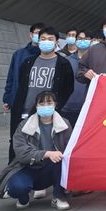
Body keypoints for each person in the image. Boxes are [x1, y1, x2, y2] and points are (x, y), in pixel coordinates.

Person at [10, 27, 74, 175]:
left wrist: (56, 106)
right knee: (19, 141)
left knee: (47, 141)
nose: (46, 42)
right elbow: (21, 84)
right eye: (43, 39)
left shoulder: (63, 64)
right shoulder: (28, 62)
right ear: (38, 41)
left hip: (48, 111)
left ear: (57, 42)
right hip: (25, 110)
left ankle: (48, 177)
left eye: (50, 39)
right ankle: (14, 173)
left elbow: (68, 88)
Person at [0, 91, 72, 210]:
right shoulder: (24, 125)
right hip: (27, 168)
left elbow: (70, 149)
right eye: (41, 103)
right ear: (36, 105)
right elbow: (22, 154)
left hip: (52, 168)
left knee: (61, 160)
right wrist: (46, 153)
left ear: (55, 104)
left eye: (49, 102)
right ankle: (23, 198)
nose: (45, 106)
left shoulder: (65, 124)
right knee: (16, 188)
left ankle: (58, 196)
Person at [1, 22, 44, 168]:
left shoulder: (46, 55)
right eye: (36, 33)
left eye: (42, 34)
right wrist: (7, 98)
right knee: (15, 136)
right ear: (31, 34)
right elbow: (11, 77)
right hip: (18, 102)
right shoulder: (19, 55)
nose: (38, 36)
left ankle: (35, 165)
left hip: (38, 103)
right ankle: (12, 167)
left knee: (37, 136)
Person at [60, 30, 92, 127]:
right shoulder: (67, 61)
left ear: (91, 41)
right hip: (67, 108)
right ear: (76, 40)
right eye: (80, 38)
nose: (83, 41)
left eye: (86, 39)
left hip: (87, 108)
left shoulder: (95, 61)